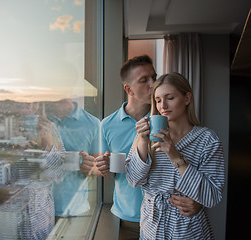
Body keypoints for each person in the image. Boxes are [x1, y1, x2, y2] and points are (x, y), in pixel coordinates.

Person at [96, 55, 202, 239]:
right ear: (128, 89)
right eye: (144, 80)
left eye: (154, 77)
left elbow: (194, 166)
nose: (153, 84)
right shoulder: (107, 125)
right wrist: (103, 167)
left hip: (171, 219)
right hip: (128, 218)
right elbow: (113, 172)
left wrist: (200, 201)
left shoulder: (169, 117)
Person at [125, 72, 225, 239]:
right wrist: (142, 141)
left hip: (188, 232)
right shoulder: (146, 137)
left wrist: (174, 155)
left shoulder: (207, 140)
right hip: (151, 231)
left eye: (170, 98)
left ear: (187, 98)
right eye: (157, 100)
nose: (162, 106)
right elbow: (134, 180)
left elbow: (212, 196)